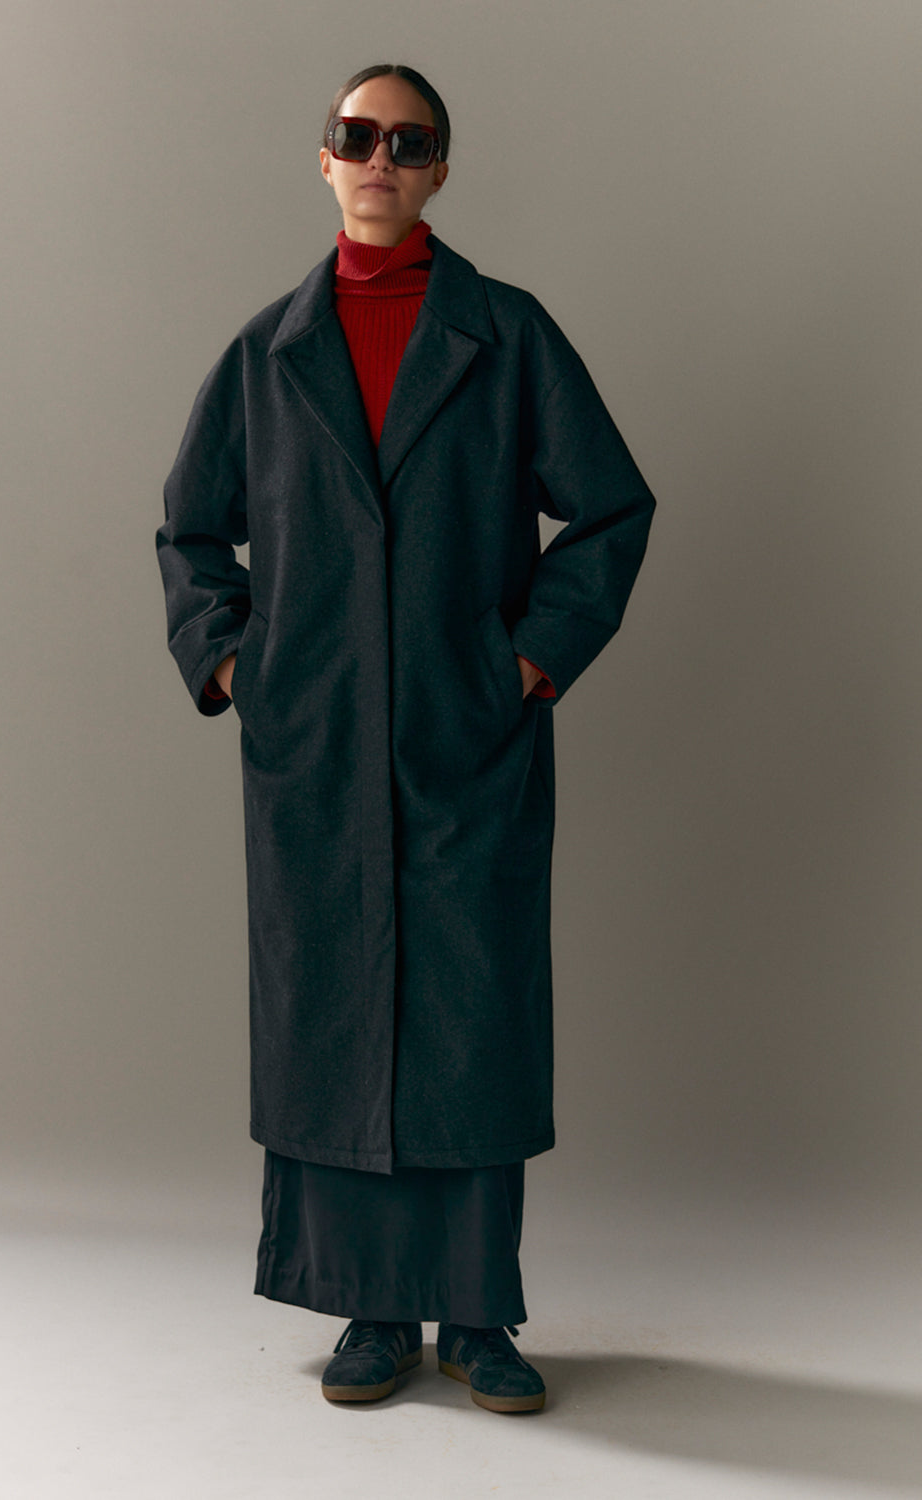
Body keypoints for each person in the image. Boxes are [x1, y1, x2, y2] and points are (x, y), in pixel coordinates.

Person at [157, 63, 656, 1414]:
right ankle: (369, 1311)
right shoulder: (266, 355)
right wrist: (236, 663)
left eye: (409, 139)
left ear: (440, 168)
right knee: (334, 1010)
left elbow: (610, 509)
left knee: (468, 1017)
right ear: (324, 159)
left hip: (465, 737)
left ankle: (477, 1312)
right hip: (315, 750)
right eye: (357, 134)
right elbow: (191, 532)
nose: (380, 156)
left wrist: (530, 661)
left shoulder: (508, 335)